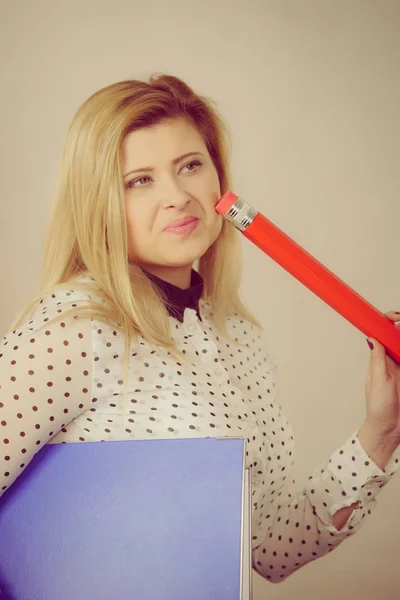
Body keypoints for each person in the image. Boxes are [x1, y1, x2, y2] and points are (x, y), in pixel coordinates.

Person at [1, 73, 400, 584]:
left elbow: (270, 548)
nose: (177, 196)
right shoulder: (75, 329)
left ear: (218, 178)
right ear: (96, 202)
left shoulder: (237, 335)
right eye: (138, 180)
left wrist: (382, 431)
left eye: (190, 166)